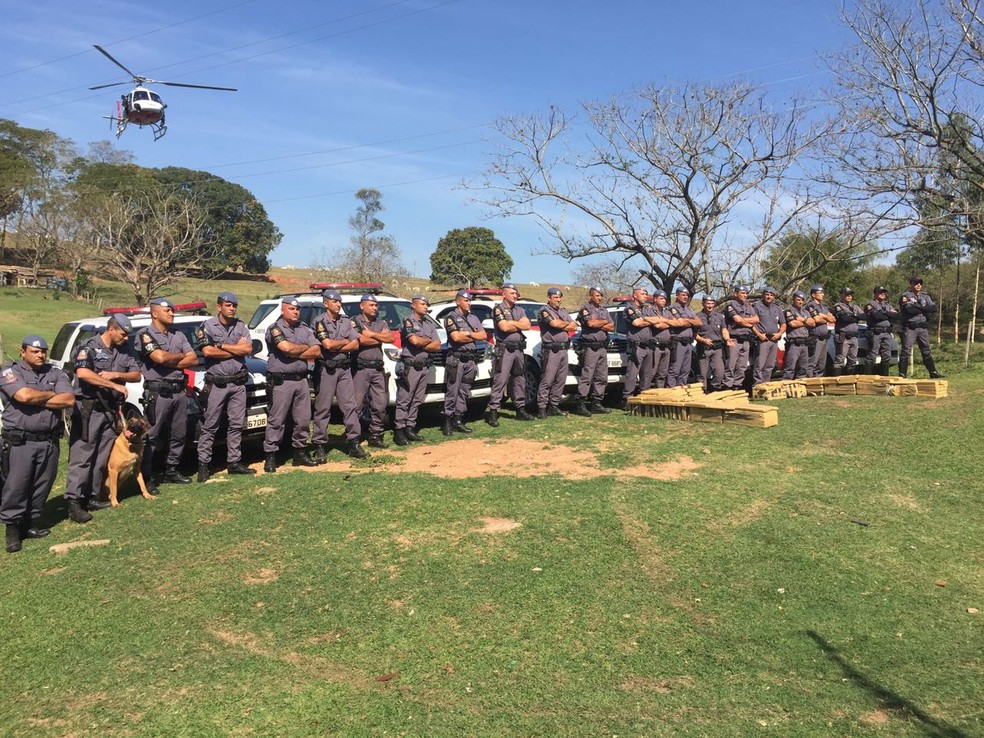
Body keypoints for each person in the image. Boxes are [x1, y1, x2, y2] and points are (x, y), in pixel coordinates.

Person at [1, 336, 74, 553]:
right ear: (22, 352)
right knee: (17, 485)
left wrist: (38, 397)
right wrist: (52, 396)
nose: (40, 354)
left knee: (42, 483)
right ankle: (12, 529)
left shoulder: (55, 372)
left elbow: (69, 399)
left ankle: (30, 523)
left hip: (49, 441)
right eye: (34, 351)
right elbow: (23, 395)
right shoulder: (10, 372)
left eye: (43, 351)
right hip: (21, 441)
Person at [64, 314, 140, 523]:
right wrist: (113, 385)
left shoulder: (124, 350)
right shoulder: (88, 347)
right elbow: (83, 373)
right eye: (123, 334)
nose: (126, 338)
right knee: (83, 455)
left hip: (110, 411)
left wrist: (116, 375)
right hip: (89, 409)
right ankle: (74, 501)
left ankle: (92, 496)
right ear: (111, 329)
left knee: (102, 456)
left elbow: (137, 375)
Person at [135, 298, 198, 494]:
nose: (171, 313)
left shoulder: (178, 334)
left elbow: (193, 359)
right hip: (158, 392)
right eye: (167, 311)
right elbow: (158, 358)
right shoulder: (145, 335)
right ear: (155, 313)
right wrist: (180, 357)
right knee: (151, 436)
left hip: (178, 391)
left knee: (179, 433)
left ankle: (171, 469)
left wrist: (170, 359)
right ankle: (147, 475)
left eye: (172, 310)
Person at [194, 292, 257, 483]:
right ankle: (203, 465)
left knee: (237, 424)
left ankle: (234, 462)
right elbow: (207, 351)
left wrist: (220, 346)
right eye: (228, 305)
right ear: (219, 306)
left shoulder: (240, 325)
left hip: (238, 383)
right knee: (210, 425)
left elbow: (247, 349)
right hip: (218, 383)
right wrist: (234, 349)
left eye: (234, 306)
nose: (232, 308)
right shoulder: (207, 326)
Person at [263, 296, 321, 472]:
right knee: (277, 420)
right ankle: (271, 456)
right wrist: (303, 348)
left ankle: (300, 453)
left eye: (297, 309)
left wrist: (294, 352)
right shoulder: (274, 328)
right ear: (283, 310)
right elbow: (285, 348)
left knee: (303, 420)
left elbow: (317, 350)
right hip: (282, 381)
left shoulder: (304, 328)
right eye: (291, 309)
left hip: (301, 380)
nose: (296, 312)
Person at [312, 289, 367, 460]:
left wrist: (339, 344)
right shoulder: (319, 321)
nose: (339, 304)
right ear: (326, 303)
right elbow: (327, 345)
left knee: (350, 406)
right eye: (335, 301)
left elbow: (356, 344)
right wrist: (345, 342)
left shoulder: (345, 321)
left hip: (344, 369)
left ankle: (353, 442)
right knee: (323, 408)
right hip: (326, 370)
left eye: (339, 302)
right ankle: (320, 444)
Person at [393, 295, 441, 445]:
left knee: (417, 400)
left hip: (424, 366)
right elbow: (413, 340)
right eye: (422, 304)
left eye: (427, 304)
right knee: (405, 399)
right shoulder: (408, 321)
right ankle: (399, 430)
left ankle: (410, 427)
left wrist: (422, 342)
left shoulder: (428, 324)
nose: (426, 307)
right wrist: (427, 341)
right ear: (414, 305)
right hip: (410, 366)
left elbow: (437, 345)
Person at [486, 283, 534, 426]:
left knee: (520, 380)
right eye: (512, 293)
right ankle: (493, 411)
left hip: (518, 350)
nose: (515, 296)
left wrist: (513, 323)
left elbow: (527, 325)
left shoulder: (520, 309)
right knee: (500, 380)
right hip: (505, 350)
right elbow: (504, 327)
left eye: (516, 293)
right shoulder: (498, 309)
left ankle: (520, 409)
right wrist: (516, 323)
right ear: (504, 294)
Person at [351, 293, 396, 448]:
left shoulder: (380, 322)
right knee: (356, 405)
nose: (375, 308)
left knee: (380, 404)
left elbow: (391, 338)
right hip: (360, 369)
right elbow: (360, 340)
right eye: (371, 305)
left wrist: (371, 334)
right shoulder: (355, 321)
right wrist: (378, 337)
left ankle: (375, 435)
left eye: (376, 305)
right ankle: (354, 437)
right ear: (362, 306)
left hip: (377, 369)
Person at [442, 290, 487, 435]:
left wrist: (467, 334)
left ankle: (458, 419)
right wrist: (474, 336)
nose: (469, 303)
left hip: (470, 360)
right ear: (458, 302)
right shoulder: (451, 317)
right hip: (457, 359)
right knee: (452, 391)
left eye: (469, 301)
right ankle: (447, 421)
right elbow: (456, 338)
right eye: (466, 301)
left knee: (464, 391)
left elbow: (484, 335)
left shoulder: (473, 318)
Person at [536, 287, 578, 418]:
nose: (558, 300)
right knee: (547, 379)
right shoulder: (544, 311)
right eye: (555, 297)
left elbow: (574, 325)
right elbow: (554, 324)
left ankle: (554, 405)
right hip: (551, 350)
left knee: (561, 379)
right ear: (549, 298)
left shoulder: (562, 311)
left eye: (559, 298)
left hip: (563, 350)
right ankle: (542, 407)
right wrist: (565, 325)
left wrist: (563, 324)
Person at [573, 287, 615, 416]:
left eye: (601, 295)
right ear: (591, 296)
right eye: (597, 295)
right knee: (587, 375)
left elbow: (612, 326)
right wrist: (603, 323)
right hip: (590, 347)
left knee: (602, 376)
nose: (600, 298)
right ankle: (581, 402)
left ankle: (596, 402)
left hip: (602, 347)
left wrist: (599, 323)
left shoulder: (604, 310)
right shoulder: (585, 309)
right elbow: (590, 324)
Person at [899, 276, 945, 378]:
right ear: (910, 284)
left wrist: (918, 307)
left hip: (923, 328)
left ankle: (933, 372)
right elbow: (909, 310)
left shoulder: (925, 296)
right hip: (910, 327)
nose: (919, 285)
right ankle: (902, 375)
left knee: (926, 349)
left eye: (920, 283)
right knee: (906, 350)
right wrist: (924, 309)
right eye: (916, 283)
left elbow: (933, 308)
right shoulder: (905, 296)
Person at [620, 287, 657, 409]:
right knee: (632, 373)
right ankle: (627, 398)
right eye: (642, 294)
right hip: (636, 347)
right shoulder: (629, 308)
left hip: (648, 346)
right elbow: (637, 323)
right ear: (635, 296)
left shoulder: (647, 309)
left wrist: (646, 319)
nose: (645, 296)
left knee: (647, 374)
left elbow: (659, 321)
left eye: (646, 294)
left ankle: (643, 397)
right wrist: (649, 320)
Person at [723, 284, 759, 390]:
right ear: (735, 294)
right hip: (734, 339)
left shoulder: (748, 306)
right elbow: (737, 320)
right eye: (742, 293)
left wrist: (742, 321)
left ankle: (737, 385)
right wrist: (746, 321)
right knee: (731, 365)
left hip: (746, 340)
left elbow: (756, 319)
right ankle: (727, 386)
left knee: (742, 366)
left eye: (746, 293)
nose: (745, 295)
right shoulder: (731, 306)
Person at [666, 287, 701, 387]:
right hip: (677, 342)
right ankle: (671, 390)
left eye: (687, 295)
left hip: (688, 343)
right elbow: (680, 323)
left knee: (685, 370)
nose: (685, 297)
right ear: (677, 295)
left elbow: (699, 322)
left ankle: (681, 390)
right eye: (683, 295)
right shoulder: (673, 308)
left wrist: (687, 321)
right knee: (675, 369)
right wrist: (691, 321)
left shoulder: (689, 309)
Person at [751, 286, 785, 386]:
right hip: (762, 340)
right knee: (759, 365)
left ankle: (766, 386)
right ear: (763, 295)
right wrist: (759, 334)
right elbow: (751, 324)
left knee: (770, 365)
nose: (769, 297)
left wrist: (779, 333)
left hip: (774, 340)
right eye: (767, 294)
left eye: (771, 295)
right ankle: (757, 387)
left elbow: (783, 324)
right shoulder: (756, 306)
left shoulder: (777, 308)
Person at [695, 296, 729, 392]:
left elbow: (724, 329)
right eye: (708, 303)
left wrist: (727, 339)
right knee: (702, 372)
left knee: (719, 371)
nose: (710, 306)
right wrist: (702, 340)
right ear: (703, 304)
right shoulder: (697, 317)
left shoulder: (719, 316)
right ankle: (703, 390)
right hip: (703, 347)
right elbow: (693, 334)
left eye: (712, 303)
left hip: (717, 348)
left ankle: (716, 388)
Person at [863, 286, 899, 376]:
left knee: (886, 356)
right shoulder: (870, 304)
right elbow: (877, 316)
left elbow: (896, 315)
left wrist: (884, 313)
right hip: (876, 333)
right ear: (875, 294)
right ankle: (868, 378)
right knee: (872, 355)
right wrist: (888, 314)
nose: (883, 294)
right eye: (880, 292)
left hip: (887, 333)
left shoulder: (887, 305)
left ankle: (884, 378)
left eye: (884, 292)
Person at [832, 288, 865, 376]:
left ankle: (849, 380)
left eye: (850, 295)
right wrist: (856, 317)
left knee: (853, 360)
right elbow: (845, 318)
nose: (849, 296)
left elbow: (864, 316)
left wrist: (853, 315)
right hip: (843, 336)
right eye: (847, 294)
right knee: (840, 359)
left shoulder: (854, 306)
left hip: (853, 337)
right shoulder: (838, 306)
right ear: (842, 295)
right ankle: (837, 381)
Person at [782, 291, 815, 380]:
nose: (800, 302)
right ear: (793, 299)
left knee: (803, 369)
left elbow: (813, 323)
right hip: (794, 344)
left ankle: (800, 390)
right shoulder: (788, 311)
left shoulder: (806, 312)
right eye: (798, 300)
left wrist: (801, 320)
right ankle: (787, 389)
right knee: (790, 369)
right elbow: (793, 323)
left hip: (805, 344)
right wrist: (805, 322)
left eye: (802, 300)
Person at [804, 285, 836, 377]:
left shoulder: (824, 307)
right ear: (813, 295)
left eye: (823, 293)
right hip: (814, 338)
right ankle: (810, 383)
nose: (823, 294)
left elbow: (833, 319)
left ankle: (818, 383)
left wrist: (824, 316)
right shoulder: (811, 305)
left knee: (821, 364)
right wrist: (826, 317)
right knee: (812, 363)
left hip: (824, 339)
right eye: (820, 293)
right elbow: (816, 319)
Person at [650, 289, 675, 389]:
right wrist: (669, 322)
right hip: (655, 346)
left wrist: (665, 322)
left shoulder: (666, 312)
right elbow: (657, 326)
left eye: (665, 299)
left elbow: (675, 323)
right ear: (655, 299)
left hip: (666, 346)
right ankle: (645, 393)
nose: (663, 301)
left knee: (662, 373)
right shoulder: (650, 311)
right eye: (661, 298)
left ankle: (659, 391)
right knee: (651, 372)